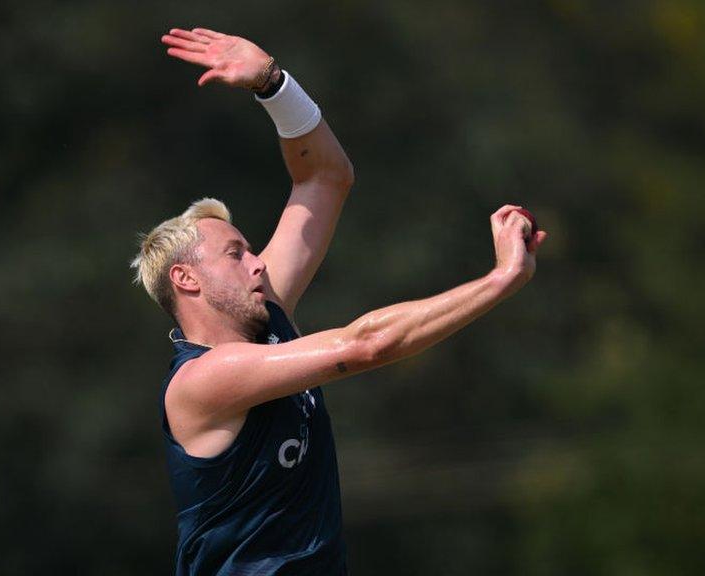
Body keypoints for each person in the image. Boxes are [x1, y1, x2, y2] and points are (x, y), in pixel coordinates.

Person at [134, 26, 548, 576]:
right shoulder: (203, 381)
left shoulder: (264, 313)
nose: (257, 262)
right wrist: (498, 281)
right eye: (235, 253)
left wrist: (271, 83)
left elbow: (326, 177)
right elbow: (367, 344)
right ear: (187, 280)